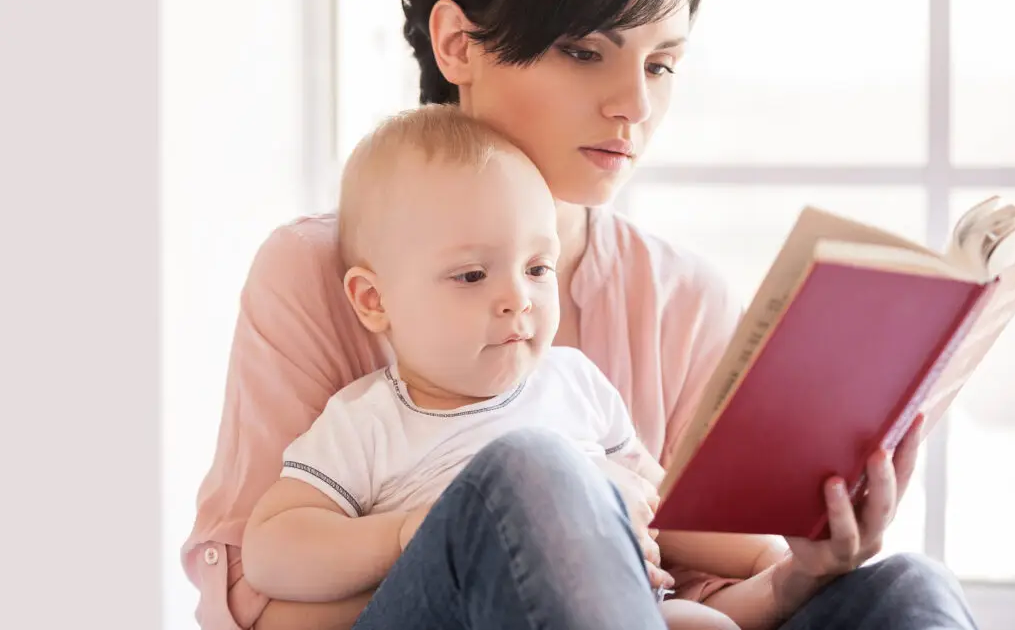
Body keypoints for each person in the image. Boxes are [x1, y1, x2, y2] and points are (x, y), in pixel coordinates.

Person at [182, 0, 979, 629]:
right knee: (535, 472)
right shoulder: (317, 272)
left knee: (910, 588)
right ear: (458, 43)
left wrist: (805, 564)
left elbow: (702, 586)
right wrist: (484, 538)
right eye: (586, 51)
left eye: (661, 64)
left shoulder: (681, 297)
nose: (634, 105)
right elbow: (259, 600)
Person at [241, 103, 757, 629]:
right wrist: (404, 534)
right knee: (532, 465)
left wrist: (775, 557)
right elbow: (270, 548)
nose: (518, 298)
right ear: (374, 300)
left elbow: (663, 504)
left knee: (707, 623)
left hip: (613, 607)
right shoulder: (369, 420)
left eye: (537, 268)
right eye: (471, 275)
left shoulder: (574, 382)